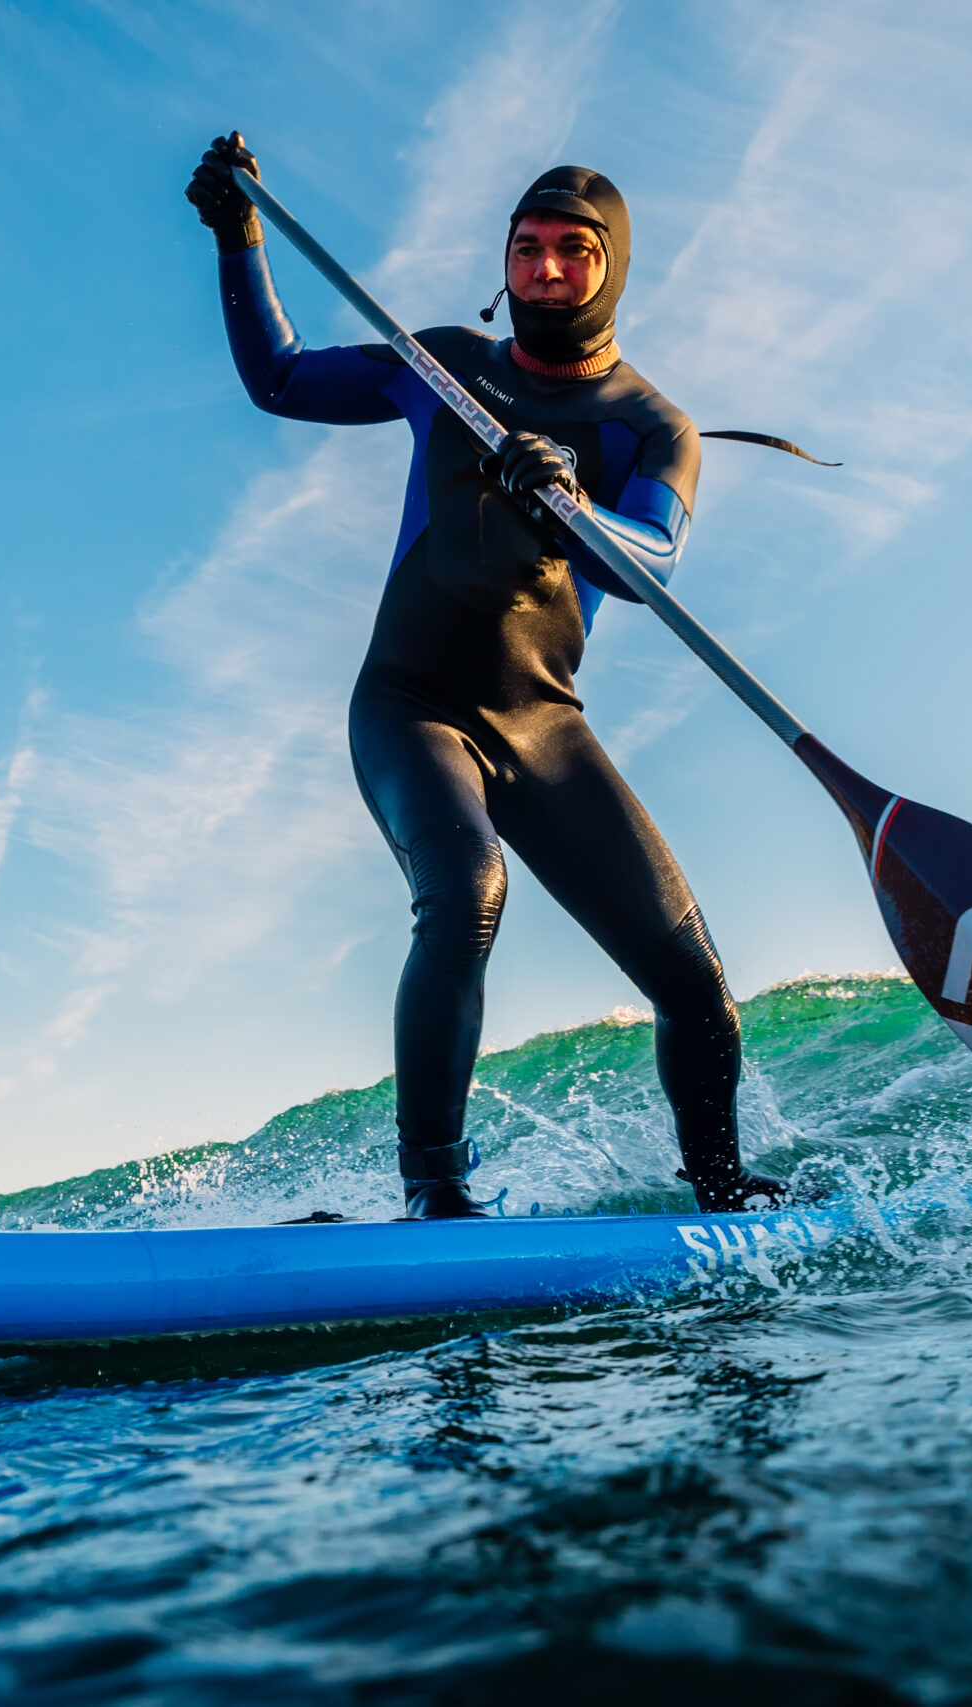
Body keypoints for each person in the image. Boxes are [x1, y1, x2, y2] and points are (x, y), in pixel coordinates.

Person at [186, 133, 787, 1220]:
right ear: (502, 262)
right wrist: (241, 239)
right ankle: (434, 1199)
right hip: (410, 706)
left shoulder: (649, 428)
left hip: (540, 727)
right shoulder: (445, 367)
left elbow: (648, 565)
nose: (546, 270)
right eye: (525, 247)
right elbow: (279, 379)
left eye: (573, 250)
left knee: (694, 983)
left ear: (613, 269)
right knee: (465, 894)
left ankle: (718, 1193)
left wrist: (572, 496)